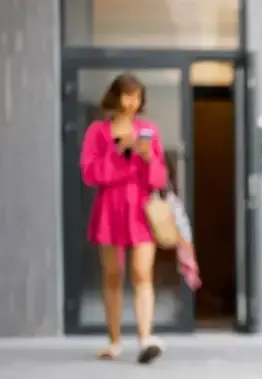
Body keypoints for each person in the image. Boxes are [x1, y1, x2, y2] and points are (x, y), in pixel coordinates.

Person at [80, 72, 167, 364]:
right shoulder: (97, 132)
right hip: (110, 208)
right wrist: (119, 151)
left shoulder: (149, 130)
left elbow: (158, 178)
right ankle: (114, 341)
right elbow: (91, 174)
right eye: (128, 95)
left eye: (138, 96)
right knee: (112, 275)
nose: (133, 102)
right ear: (115, 96)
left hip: (141, 209)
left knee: (142, 273)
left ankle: (146, 338)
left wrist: (147, 157)